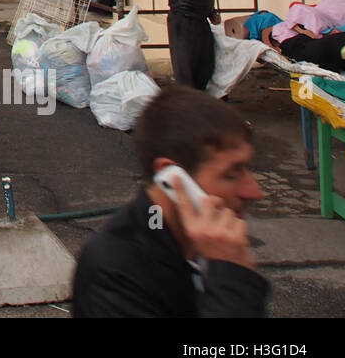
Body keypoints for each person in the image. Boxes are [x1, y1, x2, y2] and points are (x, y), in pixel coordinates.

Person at [72, 86, 268, 317]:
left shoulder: (208, 245)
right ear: (173, 178)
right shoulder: (114, 271)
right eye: (231, 173)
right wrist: (232, 278)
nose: (254, 192)